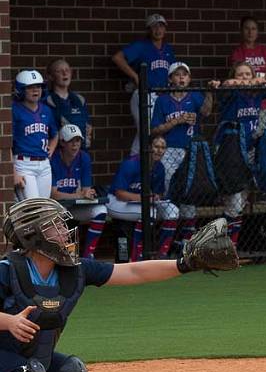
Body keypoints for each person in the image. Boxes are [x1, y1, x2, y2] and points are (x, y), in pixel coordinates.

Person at [0, 198, 238, 372]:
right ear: (32, 233)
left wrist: (184, 264)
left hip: (30, 358)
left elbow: (132, 271)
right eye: (55, 226)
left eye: (63, 225)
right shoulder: (8, 270)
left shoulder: (74, 269)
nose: (65, 231)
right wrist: (9, 321)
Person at [211, 61, 266, 244]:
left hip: (249, 149)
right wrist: (248, 81)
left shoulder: (256, 94)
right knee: (233, 198)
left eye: (247, 74)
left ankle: (229, 243)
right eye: (240, 74)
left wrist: (263, 80)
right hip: (230, 151)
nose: (244, 78)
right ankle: (222, 242)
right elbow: (228, 84)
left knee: (240, 200)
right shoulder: (231, 92)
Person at [151, 62, 214, 244]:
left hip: (190, 151)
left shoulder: (194, 96)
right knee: (170, 191)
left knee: (189, 192)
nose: (181, 78)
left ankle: (187, 240)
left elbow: (206, 111)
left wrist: (209, 92)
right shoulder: (162, 100)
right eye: (177, 75)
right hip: (169, 151)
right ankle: (166, 240)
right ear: (170, 79)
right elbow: (155, 130)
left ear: (189, 78)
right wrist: (176, 121)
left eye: (184, 75)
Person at [111, 13, 176, 155]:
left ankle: (137, 164)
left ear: (165, 29)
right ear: (148, 30)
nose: (158, 30)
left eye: (161, 26)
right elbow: (117, 58)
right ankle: (138, 167)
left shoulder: (168, 50)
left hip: (162, 96)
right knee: (148, 132)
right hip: (144, 94)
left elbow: (173, 73)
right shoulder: (141, 46)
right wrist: (134, 75)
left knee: (149, 133)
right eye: (154, 26)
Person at [107, 137, 180, 261]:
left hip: (140, 204)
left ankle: (161, 255)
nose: (159, 150)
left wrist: (156, 197)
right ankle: (137, 257)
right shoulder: (131, 164)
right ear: (147, 148)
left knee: (173, 211)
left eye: (163, 147)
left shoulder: (159, 167)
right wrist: (145, 198)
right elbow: (120, 193)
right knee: (149, 213)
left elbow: (158, 193)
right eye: (156, 146)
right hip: (117, 202)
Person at [49, 125, 107, 260]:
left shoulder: (84, 158)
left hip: (74, 207)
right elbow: (53, 194)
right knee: (61, 216)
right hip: (57, 209)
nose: (75, 145)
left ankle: (88, 256)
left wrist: (87, 193)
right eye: (71, 141)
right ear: (62, 142)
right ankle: (65, 255)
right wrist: (79, 195)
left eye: (78, 141)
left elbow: (86, 189)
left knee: (101, 210)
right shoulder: (53, 159)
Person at [11, 70, 59, 201]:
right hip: (23, 163)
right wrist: (14, 172)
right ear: (21, 90)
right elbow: (7, 144)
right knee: (33, 207)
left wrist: (51, 149)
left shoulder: (46, 110)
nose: (35, 90)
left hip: (44, 165)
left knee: (43, 207)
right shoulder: (14, 110)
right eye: (30, 87)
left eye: (38, 87)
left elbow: (55, 134)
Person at [43, 59, 92, 150]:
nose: (64, 74)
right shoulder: (46, 101)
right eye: (59, 71)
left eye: (67, 70)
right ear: (50, 76)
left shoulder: (79, 99)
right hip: (58, 153)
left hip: (80, 152)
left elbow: (88, 126)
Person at [229, 16, 266, 81]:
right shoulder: (237, 52)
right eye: (247, 28)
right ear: (241, 31)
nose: (250, 32)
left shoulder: (265, 50)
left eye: (253, 29)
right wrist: (263, 76)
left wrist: (255, 78)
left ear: (257, 32)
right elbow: (239, 76)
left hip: (265, 89)